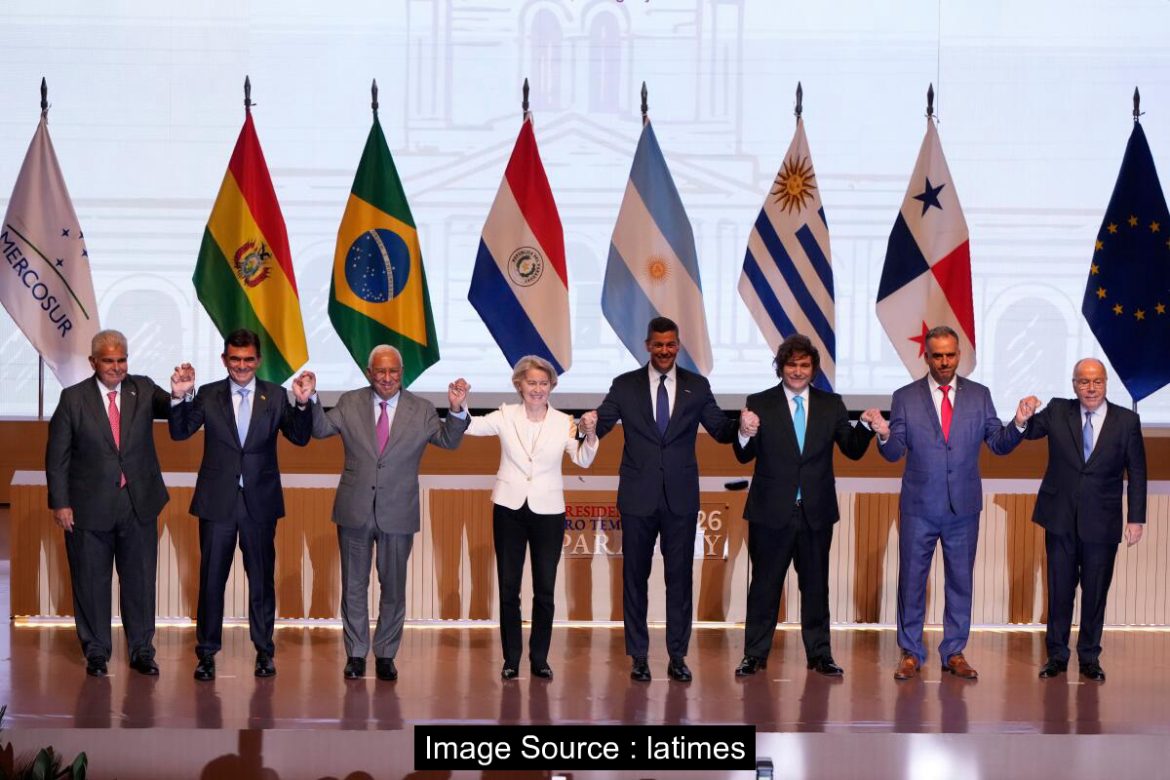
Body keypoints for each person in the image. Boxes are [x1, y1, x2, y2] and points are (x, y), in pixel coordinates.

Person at [582, 316, 745, 683]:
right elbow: (601, 424)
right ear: (647, 346)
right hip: (637, 498)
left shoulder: (697, 386)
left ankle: (677, 656)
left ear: (678, 345)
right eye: (658, 345)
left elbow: (721, 429)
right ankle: (638, 656)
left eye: (670, 344)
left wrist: (744, 426)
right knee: (634, 579)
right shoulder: (624, 386)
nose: (665, 350)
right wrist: (587, 426)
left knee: (680, 580)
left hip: (680, 499)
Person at [873, 325, 1036, 681]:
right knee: (911, 582)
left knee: (960, 582)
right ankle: (911, 652)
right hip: (919, 507)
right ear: (926, 356)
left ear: (959, 355)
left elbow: (998, 443)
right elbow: (894, 451)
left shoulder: (980, 395)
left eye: (950, 355)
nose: (945, 362)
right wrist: (884, 434)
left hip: (963, 507)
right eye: (938, 356)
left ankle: (954, 652)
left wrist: (1019, 423)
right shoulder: (905, 397)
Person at [304, 345, 470, 682]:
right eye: (380, 371)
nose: (387, 377)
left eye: (393, 371)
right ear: (369, 373)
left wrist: (455, 410)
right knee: (353, 586)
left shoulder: (422, 409)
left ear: (402, 372)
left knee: (393, 587)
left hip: (398, 511)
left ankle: (386, 654)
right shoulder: (350, 402)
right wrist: (310, 399)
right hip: (354, 510)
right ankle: (355, 654)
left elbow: (449, 441)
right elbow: (320, 430)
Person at [169, 328, 314, 681]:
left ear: (258, 360)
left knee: (261, 581)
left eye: (248, 359)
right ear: (224, 360)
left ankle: (264, 652)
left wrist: (302, 403)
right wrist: (178, 396)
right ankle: (206, 654)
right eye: (235, 359)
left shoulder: (276, 395)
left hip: (259, 504)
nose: (242, 366)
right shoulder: (208, 394)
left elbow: (299, 437)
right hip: (217, 502)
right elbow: (180, 432)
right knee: (211, 581)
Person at [733, 334, 880, 679]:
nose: (797, 371)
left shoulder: (832, 404)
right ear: (780, 367)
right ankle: (754, 655)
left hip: (816, 512)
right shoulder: (760, 402)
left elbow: (852, 449)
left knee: (815, 587)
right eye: (791, 365)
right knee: (765, 587)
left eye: (804, 365)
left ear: (813, 368)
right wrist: (743, 431)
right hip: (770, 512)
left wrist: (866, 426)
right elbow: (743, 454)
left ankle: (820, 655)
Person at [45, 330, 177, 677]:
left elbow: (174, 408)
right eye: (108, 361)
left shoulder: (142, 388)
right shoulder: (73, 399)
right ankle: (96, 651)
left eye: (122, 360)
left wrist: (183, 393)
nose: (117, 367)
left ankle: (142, 651)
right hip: (88, 508)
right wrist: (60, 503)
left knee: (140, 582)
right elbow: (57, 457)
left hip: (138, 505)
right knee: (91, 582)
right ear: (93, 362)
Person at [464, 355, 599, 681]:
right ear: (519, 385)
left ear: (551, 386)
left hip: (548, 512)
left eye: (543, 383)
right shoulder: (505, 415)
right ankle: (511, 658)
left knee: (545, 589)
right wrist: (459, 405)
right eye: (531, 382)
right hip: (508, 508)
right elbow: (472, 426)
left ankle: (539, 658)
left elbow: (582, 459)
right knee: (508, 588)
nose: (537, 389)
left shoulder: (565, 422)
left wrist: (590, 433)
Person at [1024, 358, 1146, 683]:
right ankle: (1057, 656)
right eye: (1083, 382)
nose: (1091, 388)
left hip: (1102, 523)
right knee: (1060, 591)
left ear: (1105, 383)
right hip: (1060, 519)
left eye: (1097, 381)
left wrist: (1136, 518)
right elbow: (1030, 431)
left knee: (1095, 594)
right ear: (1074, 385)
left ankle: (1090, 657)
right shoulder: (1057, 410)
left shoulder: (1127, 421)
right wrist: (1023, 416)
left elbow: (1137, 472)